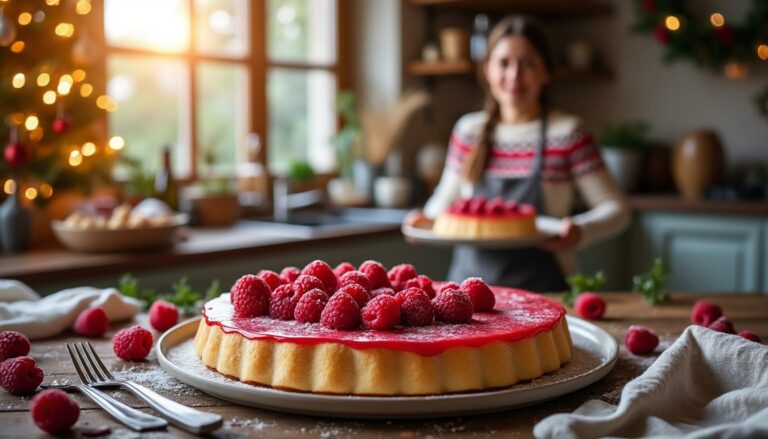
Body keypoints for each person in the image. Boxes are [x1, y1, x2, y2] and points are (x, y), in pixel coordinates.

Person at [405, 16, 630, 292]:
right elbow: (446, 200)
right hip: (467, 292)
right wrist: (424, 221)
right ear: (487, 70)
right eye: (504, 63)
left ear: (546, 72)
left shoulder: (567, 133)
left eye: (527, 64)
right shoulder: (468, 131)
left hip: (545, 289)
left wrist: (579, 231)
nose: (514, 75)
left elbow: (616, 209)